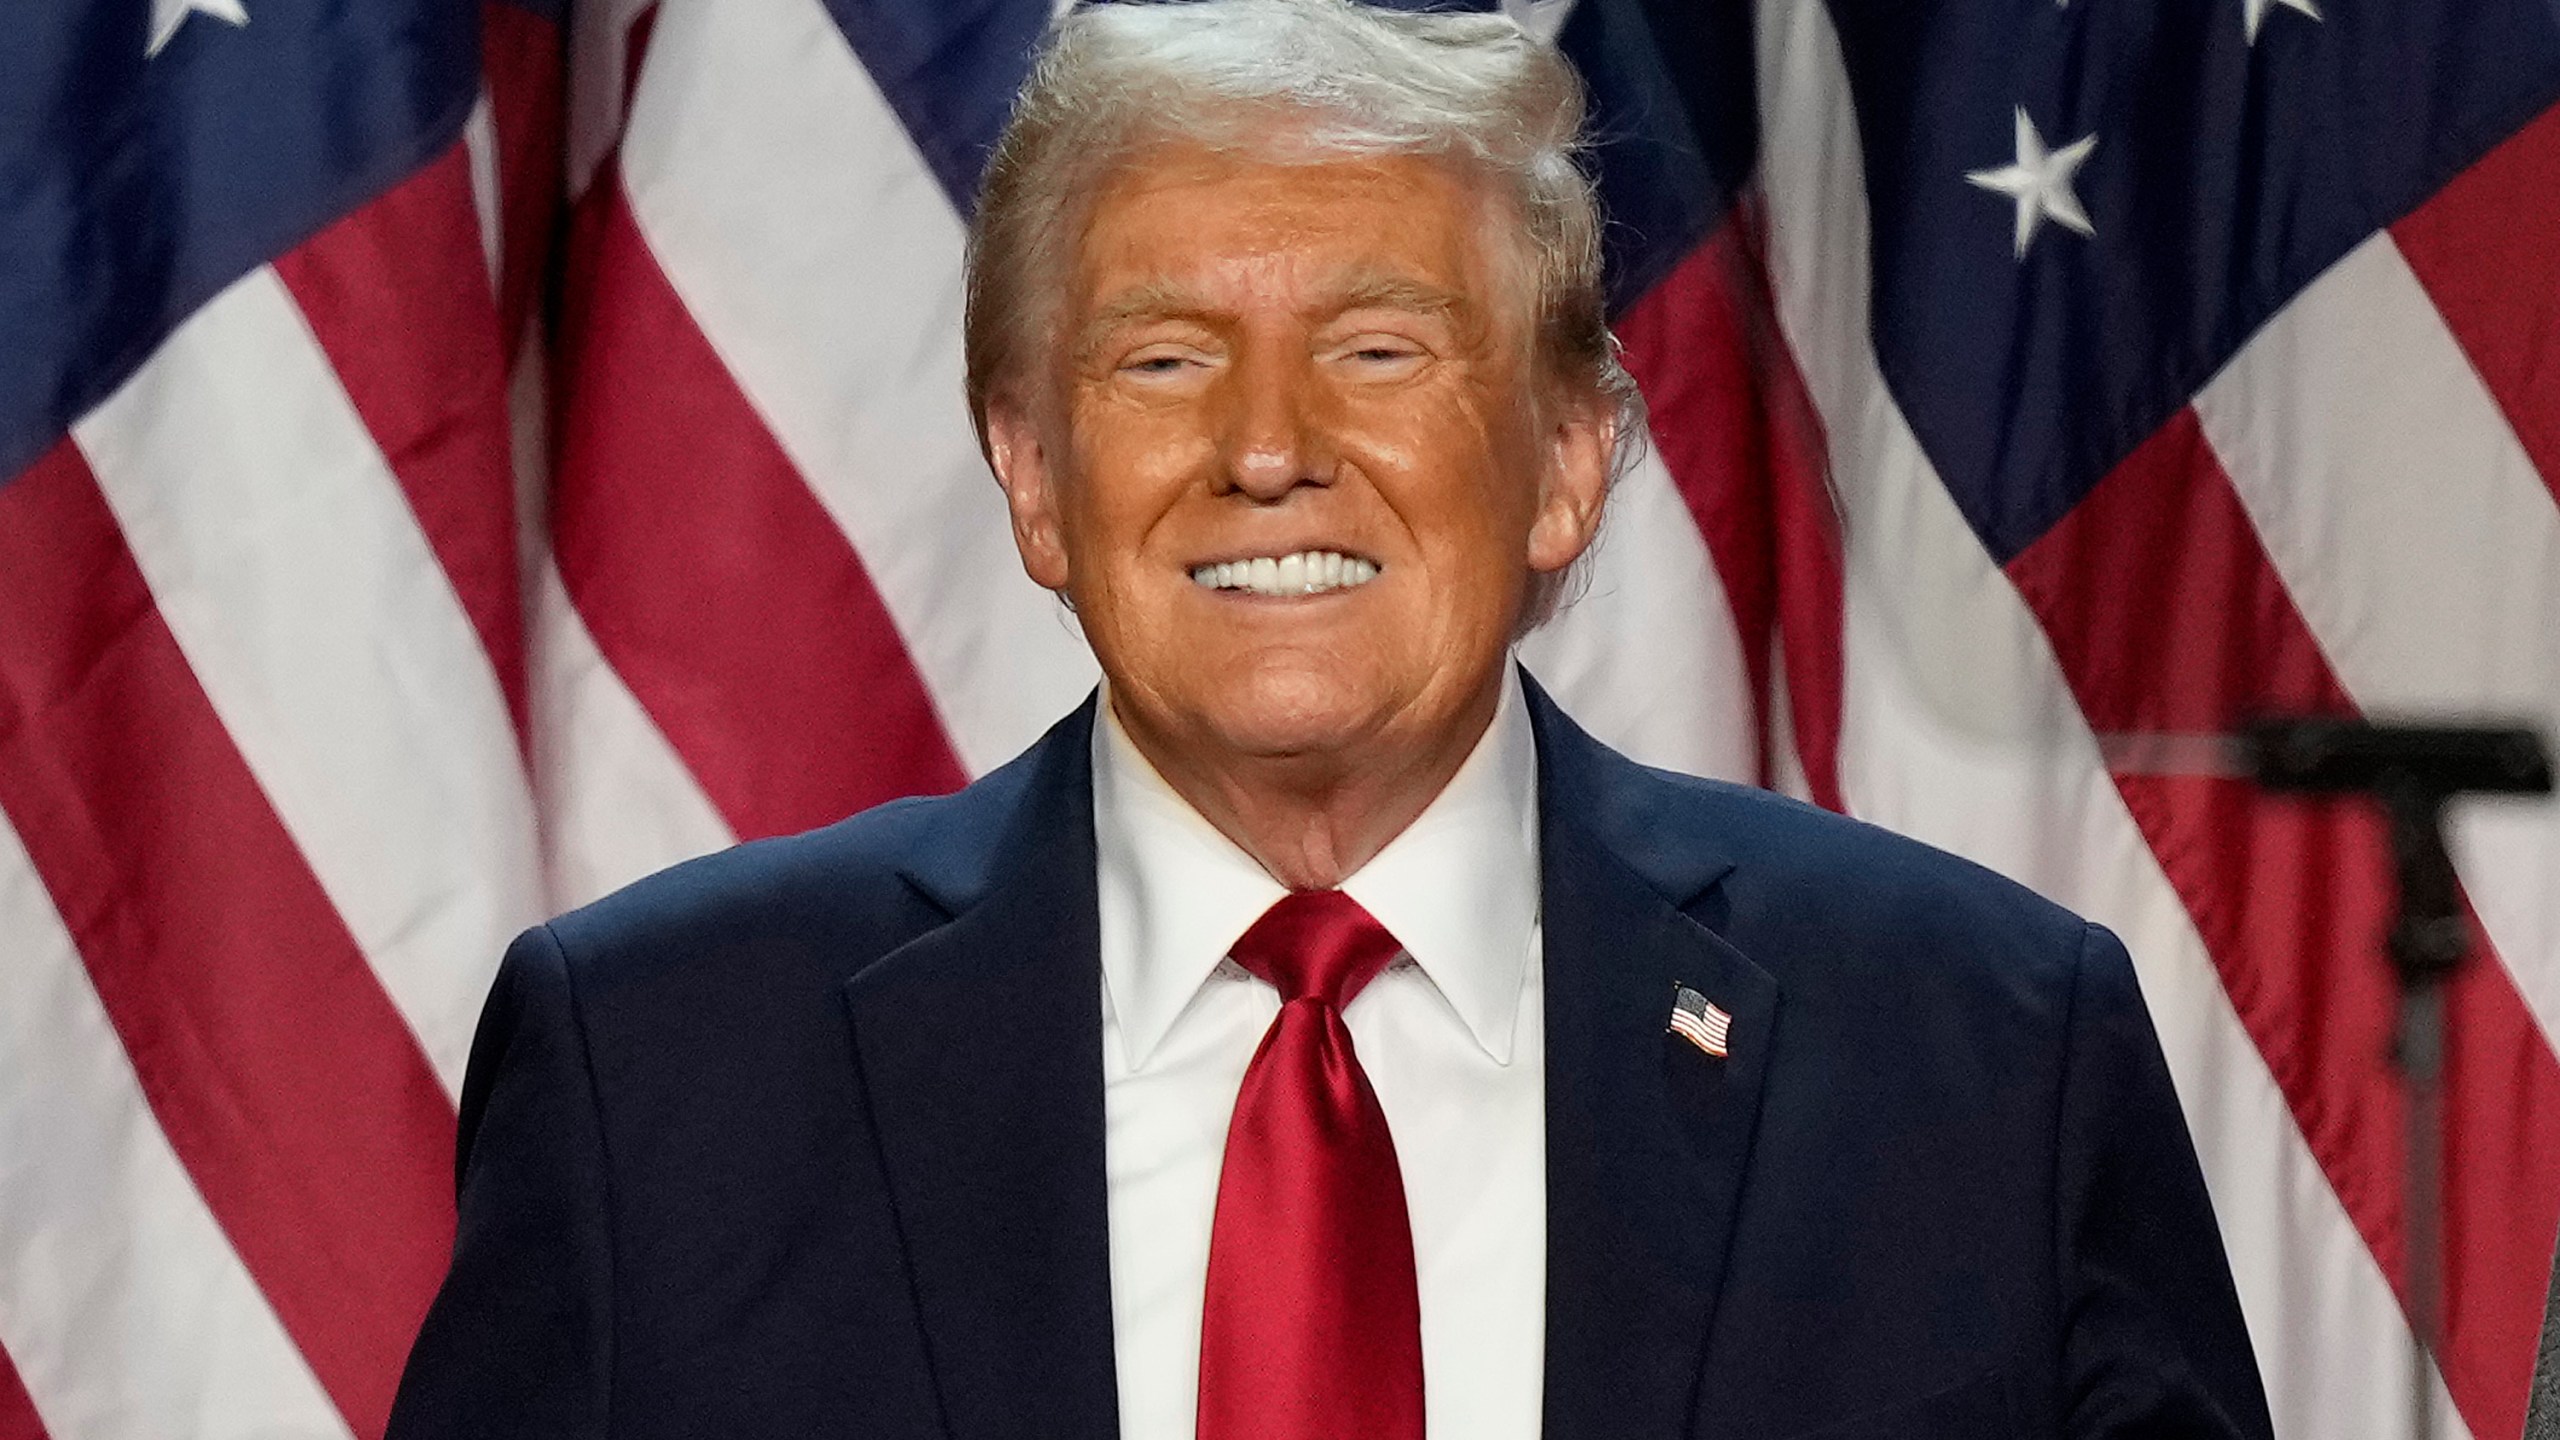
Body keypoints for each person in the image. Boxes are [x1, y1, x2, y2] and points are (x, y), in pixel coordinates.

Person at [385, 2, 2274, 1436]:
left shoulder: (1985, 1058)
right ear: (1035, 481)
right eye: (1163, 359)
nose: (1269, 450)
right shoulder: (667, 1072)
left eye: (1378, 350)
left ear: (1566, 462)